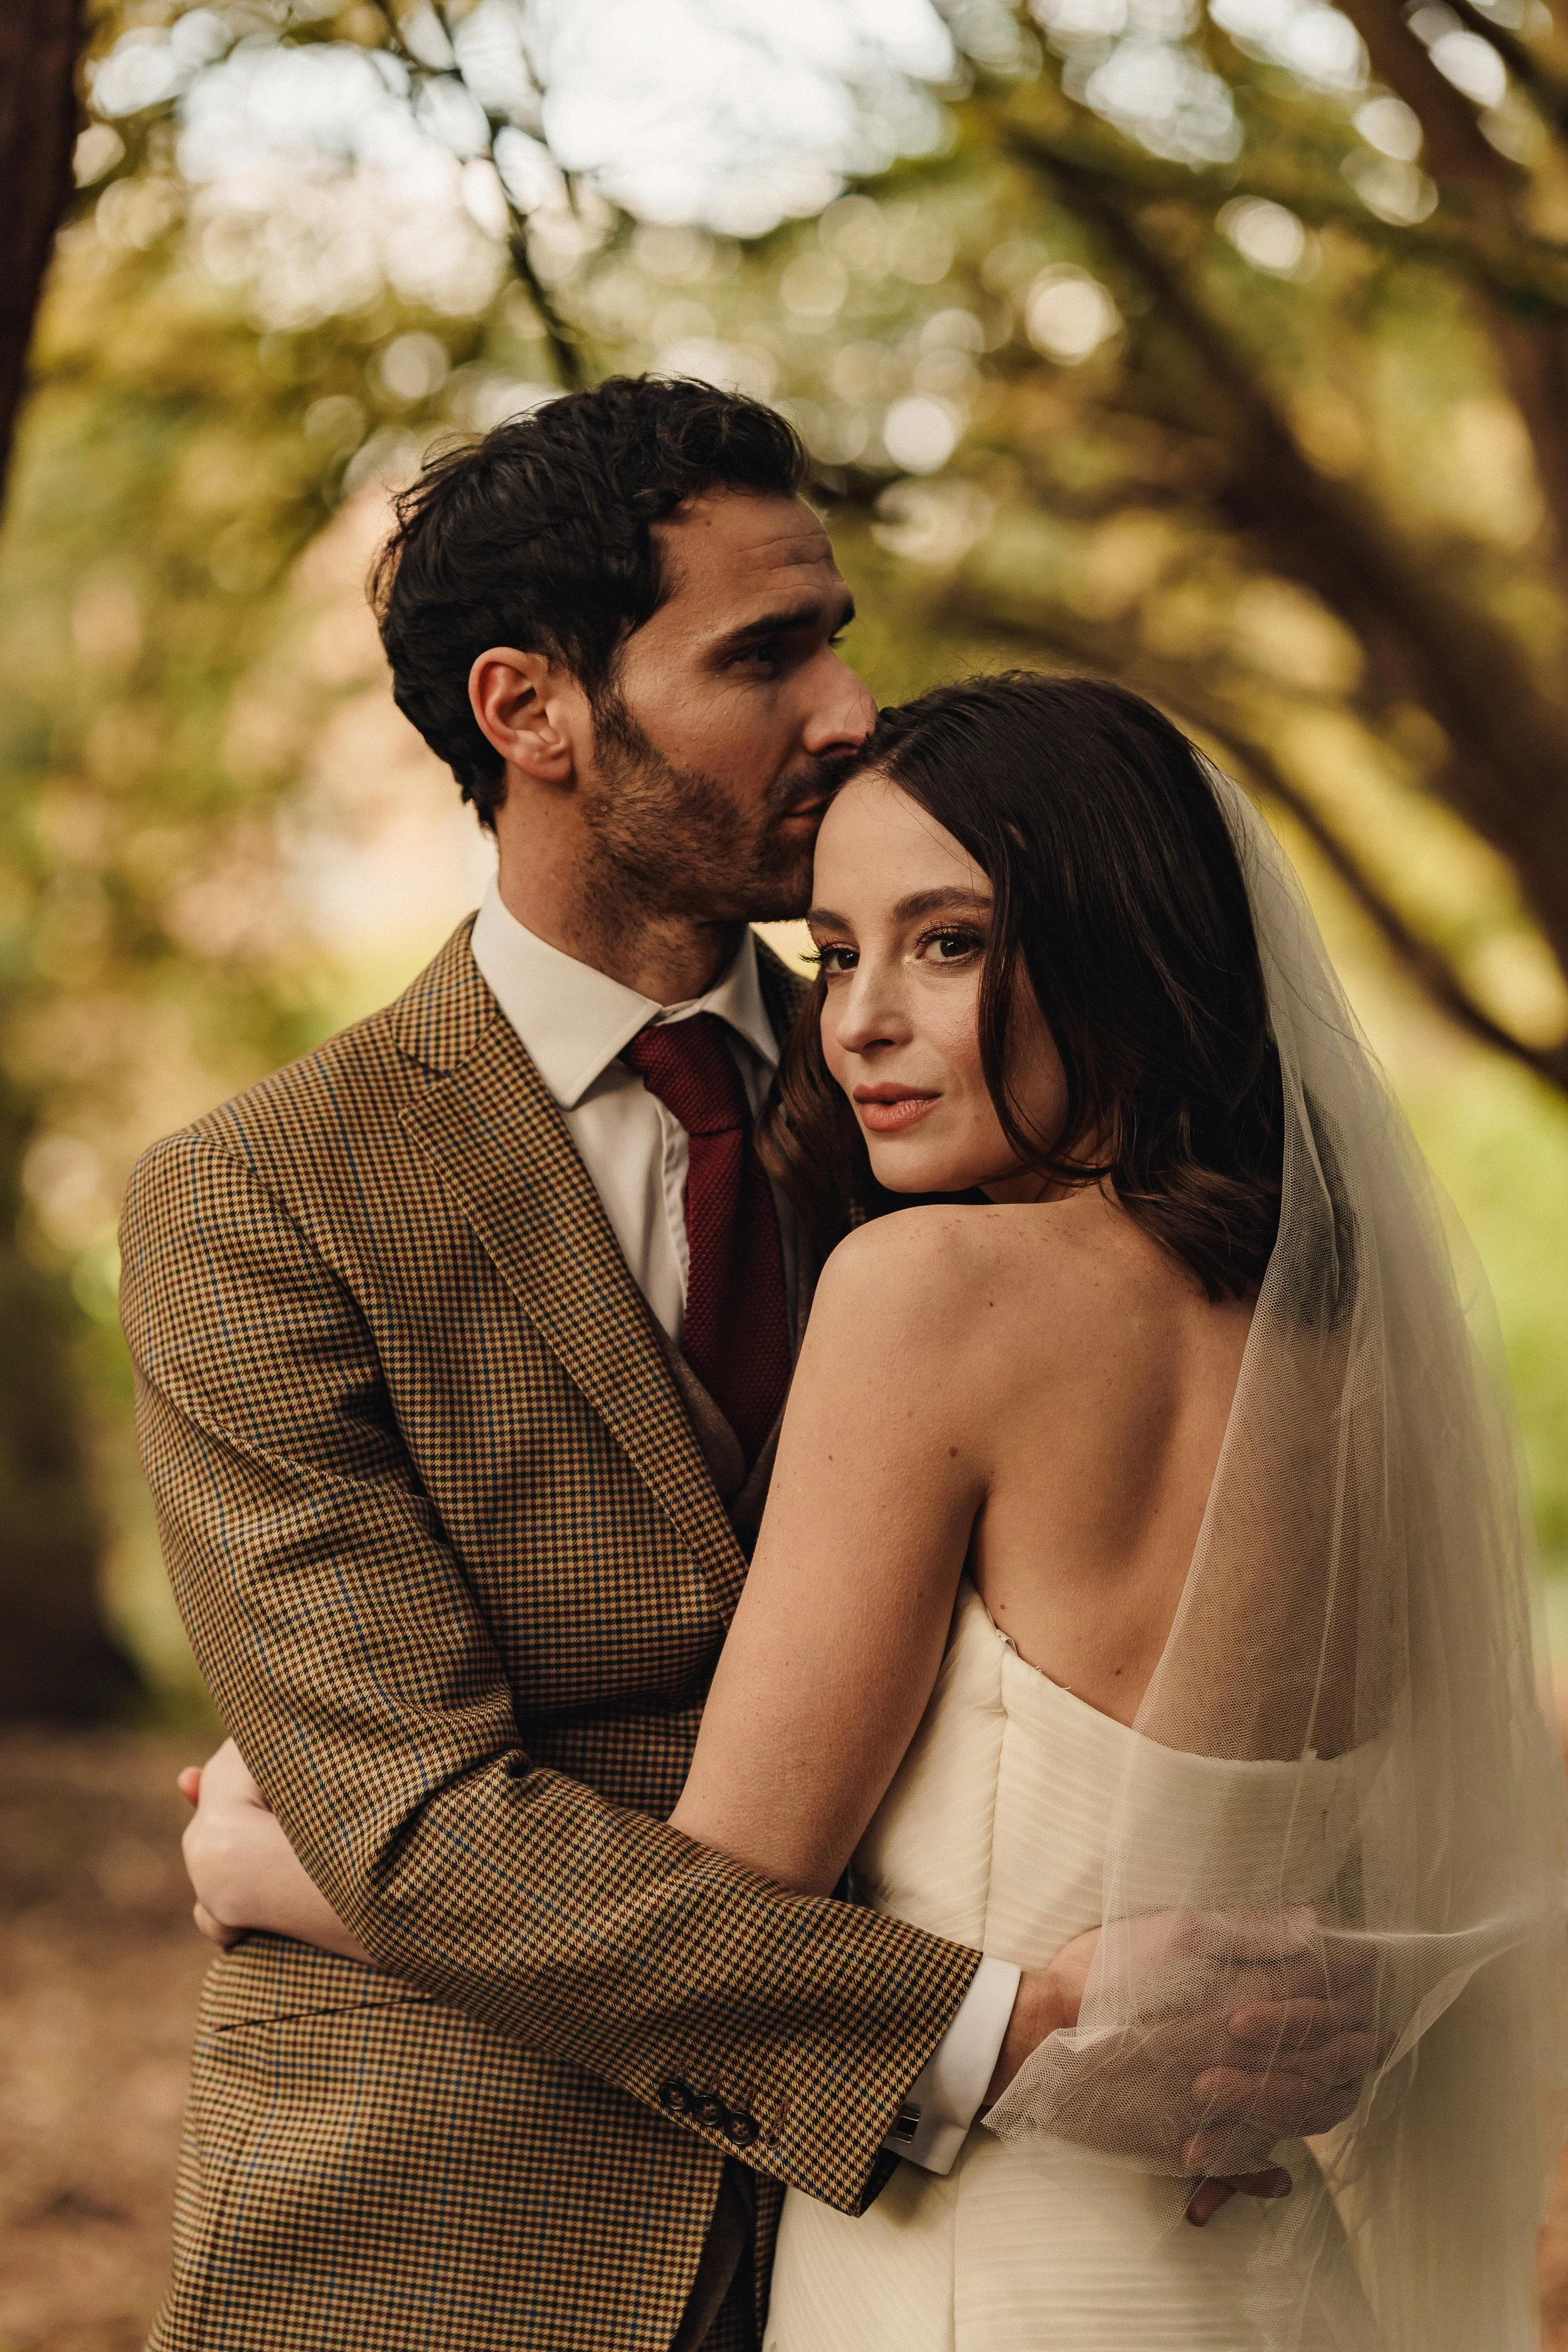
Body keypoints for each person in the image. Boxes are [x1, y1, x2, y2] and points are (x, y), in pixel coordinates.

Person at [130, 380, 1383, 2352]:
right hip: (468, 2223)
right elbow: (416, 1825)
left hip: (993, 2236)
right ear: (529, 711)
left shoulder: (967, 1100)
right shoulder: (261, 1202)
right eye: (763, 653)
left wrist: (270, 1859)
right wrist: (1021, 2023)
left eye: (838, 634)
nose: (848, 709)